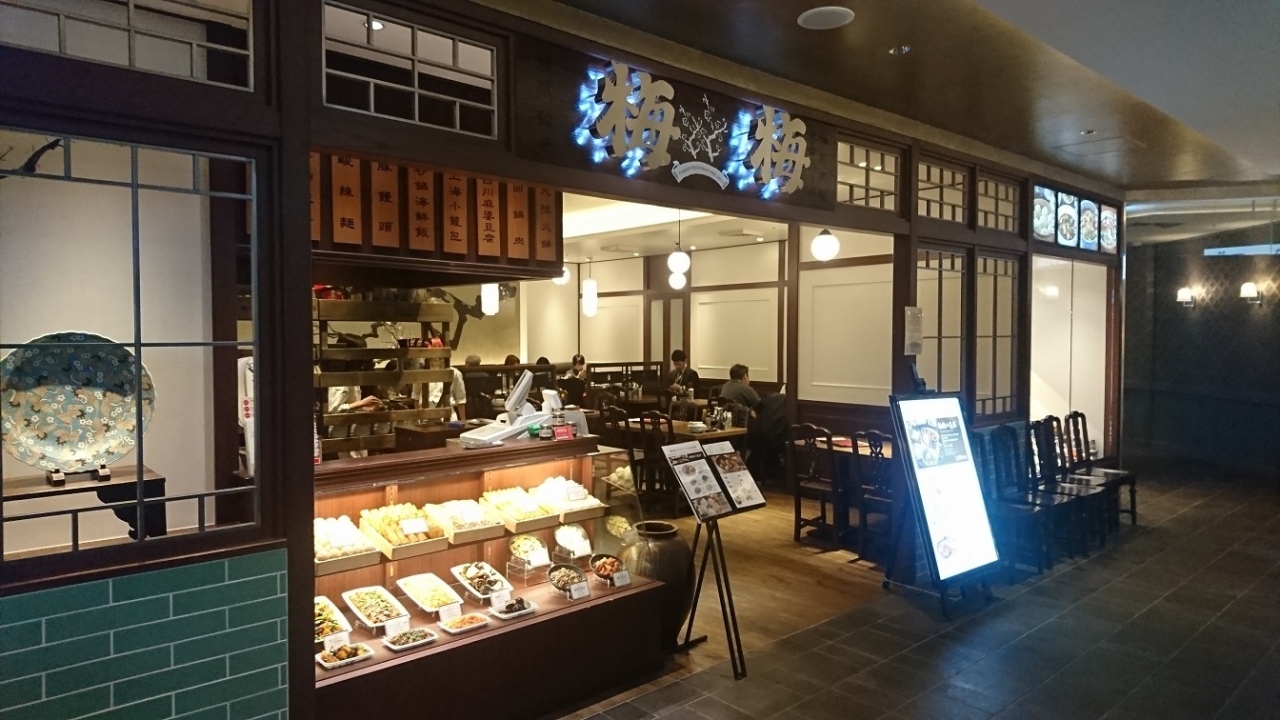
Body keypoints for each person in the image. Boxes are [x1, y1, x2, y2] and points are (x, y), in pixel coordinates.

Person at [415, 356, 467, 421]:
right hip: (425, 417)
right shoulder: (420, 373)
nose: (436, 362)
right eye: (433, 359)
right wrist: (418, 419)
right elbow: (416, 397)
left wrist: (463, 421)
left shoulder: (455, 373)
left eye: (440, 359)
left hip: (448, 417)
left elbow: (460, 399)